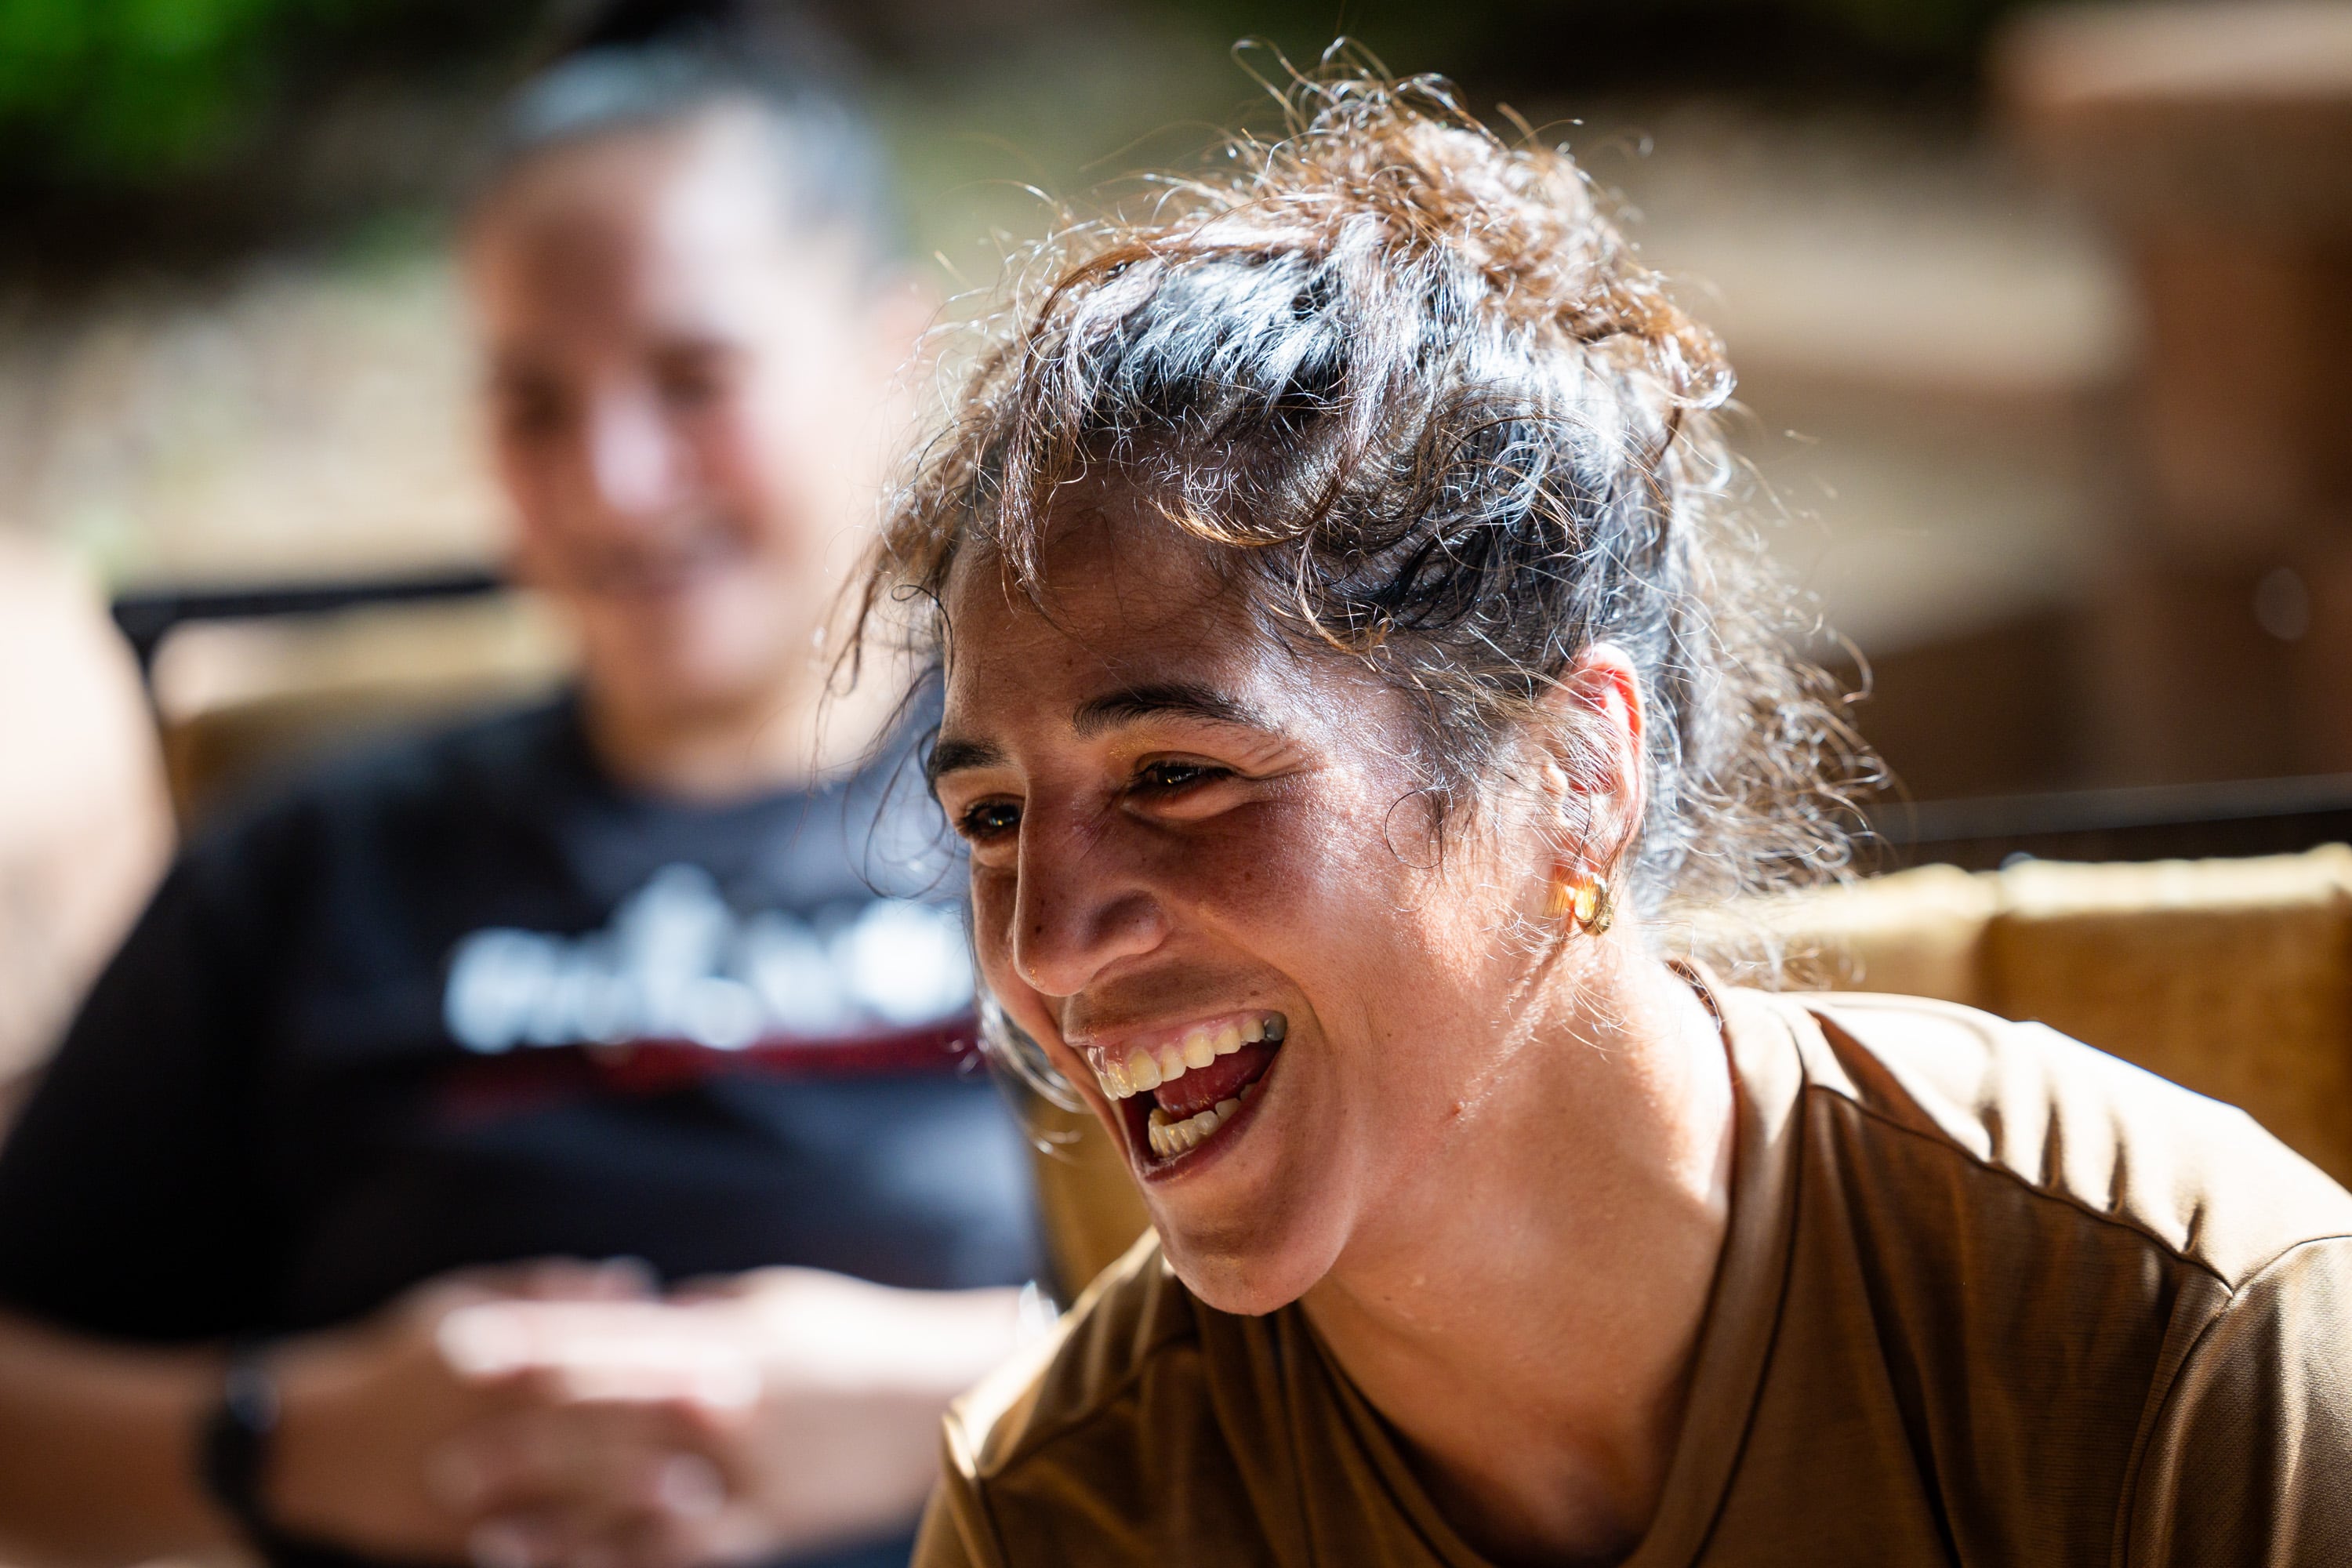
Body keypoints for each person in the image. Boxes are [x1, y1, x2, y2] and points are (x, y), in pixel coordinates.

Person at [862, 67, 2352, 1568]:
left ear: (1575, 768)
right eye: (991, 818)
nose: (1049, 948)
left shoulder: (2186, 1355)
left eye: (1176, 777)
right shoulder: (1067, 1508)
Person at [0, 10, 1044, 1568]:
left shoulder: (1080, 817)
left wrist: (986, 1394)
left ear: (892, 357)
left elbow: (1370, 1327)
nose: (609, 479)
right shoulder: (316, 862)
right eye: (534, 403)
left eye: (694, 376)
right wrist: (288, 1436)